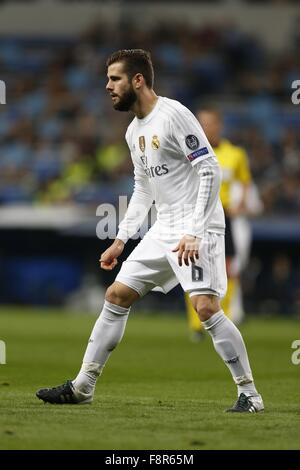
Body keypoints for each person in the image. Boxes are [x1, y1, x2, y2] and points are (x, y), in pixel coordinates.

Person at [36, 49, 264, 413]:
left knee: (205, 307)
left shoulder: (174, 115)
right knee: (116, 295)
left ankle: (250, 395)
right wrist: (121, 240)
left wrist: (194, 230)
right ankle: (83, 386)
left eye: (115, 79)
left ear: (137, 80)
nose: (107, 86)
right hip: (165, 227)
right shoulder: (133, 131)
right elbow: (143, 189)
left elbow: (209, 170)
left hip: (198, 224)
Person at [185, 108, 255, 339]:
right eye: (201, 123)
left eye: (210, 123)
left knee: (227, 269)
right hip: (195, 215)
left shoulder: (235, 154)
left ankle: (222, 316)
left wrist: (241, 203)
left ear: (219, 125)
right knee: (192, 268)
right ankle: (197, 324)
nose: (206, 128)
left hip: (223, 216)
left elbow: (244, 181)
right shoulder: (188, 151)